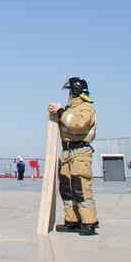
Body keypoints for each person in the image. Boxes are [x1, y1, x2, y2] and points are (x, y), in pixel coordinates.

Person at [49, 77, 99, 236]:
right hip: (67, 154)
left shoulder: (86, 108)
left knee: (81, 188)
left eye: (70, 91)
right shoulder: (69, 109)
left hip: (80, 153)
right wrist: (55, 113)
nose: (69, 94)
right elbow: (64, 123)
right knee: (67, 189)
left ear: (76, 91)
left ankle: (89, 222)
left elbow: (78, 125)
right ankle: (72, 221)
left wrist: (61, 112)